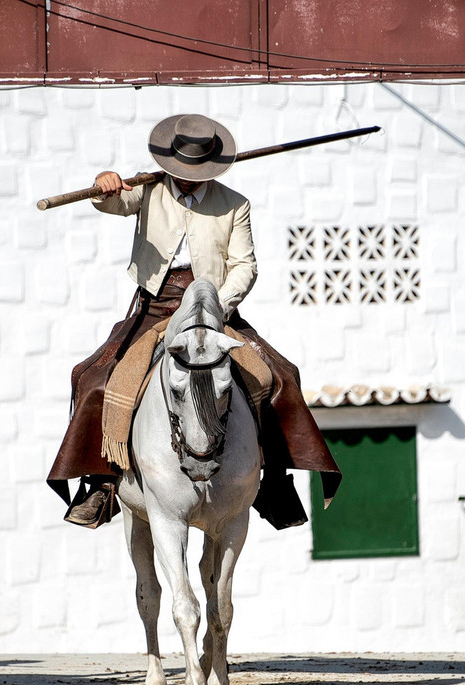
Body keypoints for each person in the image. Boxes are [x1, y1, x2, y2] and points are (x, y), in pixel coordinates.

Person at [47, 114, 340, 529]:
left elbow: (245, 266)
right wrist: (104, 183)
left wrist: (215, 306)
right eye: (181, 172)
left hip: (214, 307)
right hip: (155, 306)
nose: (187, 181)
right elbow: (114, 203)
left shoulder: (235, 204)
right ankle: (102, 482)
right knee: (93, 377)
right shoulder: (147, 188)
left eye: (196, 174)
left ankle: (273, 480)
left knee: (280, 376)